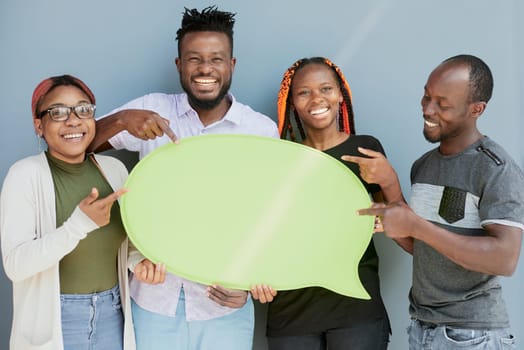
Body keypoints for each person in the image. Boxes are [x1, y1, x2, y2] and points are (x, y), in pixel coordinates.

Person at [88, 6, 279, 350]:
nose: (205, 68)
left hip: (225, 307)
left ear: (231, 65)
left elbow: (269, 216)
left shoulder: (261, 130)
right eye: (194, 59)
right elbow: (78, 143)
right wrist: (123, 120)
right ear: (179, 65)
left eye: (217, 59)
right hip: (153, 300)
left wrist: (251, 282)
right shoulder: (152, 108)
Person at [348, 54, 524, 349]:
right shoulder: (424, 165)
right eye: (426, 96)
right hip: (423, 329)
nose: (428, 109)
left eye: (443, 104)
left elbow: (505, 258)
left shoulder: (495, 168)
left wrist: (417, 226)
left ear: (476, 109)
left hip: (472, 336)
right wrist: (391, 189)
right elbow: (425, 249)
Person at [251, 57, 390, 350]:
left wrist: (384, 216)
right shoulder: (279, 159)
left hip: (355, 307)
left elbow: (395, 216)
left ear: (340, 94)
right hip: (291, 309)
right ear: (292, 103)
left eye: (326, 88)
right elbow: (262, 230)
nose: (317, 99)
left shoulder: (365, 149)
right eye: (304, 92)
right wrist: (256, 274)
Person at [0, 75, 135, 350]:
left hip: (114, 314)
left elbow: (128, 242)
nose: (73, 120)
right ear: (39, 125)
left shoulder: (114, 170)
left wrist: (139, 262)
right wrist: (77, 225)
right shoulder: (24, 175)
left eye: (83, 109)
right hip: (58, 318)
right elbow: (16, 265)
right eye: (58, 112)